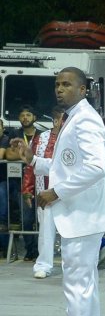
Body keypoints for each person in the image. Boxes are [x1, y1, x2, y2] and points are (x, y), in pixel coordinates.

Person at [13, 66, 105, 316]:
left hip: (83, 217)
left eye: (67, 84)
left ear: (83, 89)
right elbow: (65, 165)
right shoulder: (73, 119)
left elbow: (97, 167)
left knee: (77, 290)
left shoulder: (85, 121)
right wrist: (33, 160)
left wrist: (55, 192)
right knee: (86, 290)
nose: (60, 89)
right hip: (82, 215)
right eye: (57, 84)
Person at [22, 106, 65, 278]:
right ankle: (43, 265)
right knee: (46, 231)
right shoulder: (40, 139)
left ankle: (72, 265)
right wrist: (27, 190)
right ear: (55, 120)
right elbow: (31, 165)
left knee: (72, 230)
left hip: (67, 192)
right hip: (45, 193)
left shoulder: (72, 138)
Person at [16, 106, 41, 262]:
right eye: (22, 115)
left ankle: (40, 250)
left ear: (34, 118)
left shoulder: (41, 136)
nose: (25, 117)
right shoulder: (15, 134)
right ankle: (30, 250)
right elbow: (10, 154)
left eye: (28, 115)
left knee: (40, 219)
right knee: (26, 218)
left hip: (38, 181)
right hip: (19, 181)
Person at [0, 119, 11, 256]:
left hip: (3, 180)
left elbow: (1, 155)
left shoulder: (5, 139)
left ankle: (2, 223)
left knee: (1, 193)